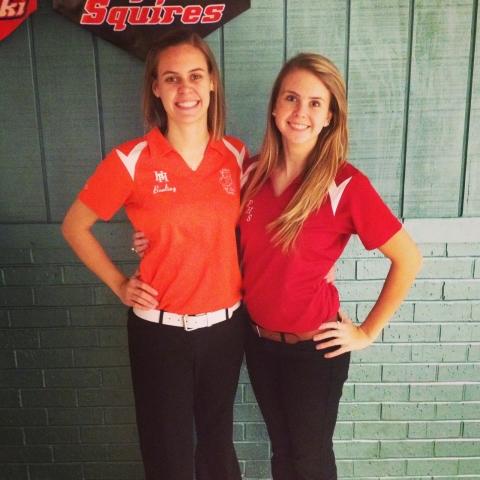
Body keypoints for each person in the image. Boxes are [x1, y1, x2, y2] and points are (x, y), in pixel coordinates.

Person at [62, 30, 248, 480]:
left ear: (212, 84)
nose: (185, 89)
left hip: (225, 328)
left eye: (195, 76)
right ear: (156, 88)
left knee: (218, 450)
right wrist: (120, 284)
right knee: (167, 455)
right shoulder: (131, 159)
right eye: (172, 78)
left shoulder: (237, 156)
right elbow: (75, 226)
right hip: (160, 334)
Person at [238, 52, 422, 480]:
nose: (301, 112)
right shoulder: (250, 175)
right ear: (274, 106)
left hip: (314, 352)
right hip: (260, 344)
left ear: (329, 118)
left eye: (315, 103)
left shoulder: (345, 185)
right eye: (291, 98)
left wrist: (365, 331)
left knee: (310, 460)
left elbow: (408, 258)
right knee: (282, 453)